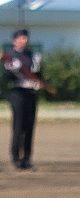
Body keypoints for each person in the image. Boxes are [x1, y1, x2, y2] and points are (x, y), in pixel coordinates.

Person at [3, 29, 42, 170]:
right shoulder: (9, 56)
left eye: (25, 38)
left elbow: (38, 74)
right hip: (17, 93)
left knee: (29, 126)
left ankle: (27, 157)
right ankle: (16, 157)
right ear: (14, 40)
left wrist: (38, 81)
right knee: (18, 126)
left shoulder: (32, 55)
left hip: (30, 93)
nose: (24, 41)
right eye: (21, 38)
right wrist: (10, 69)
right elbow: (6, 78)